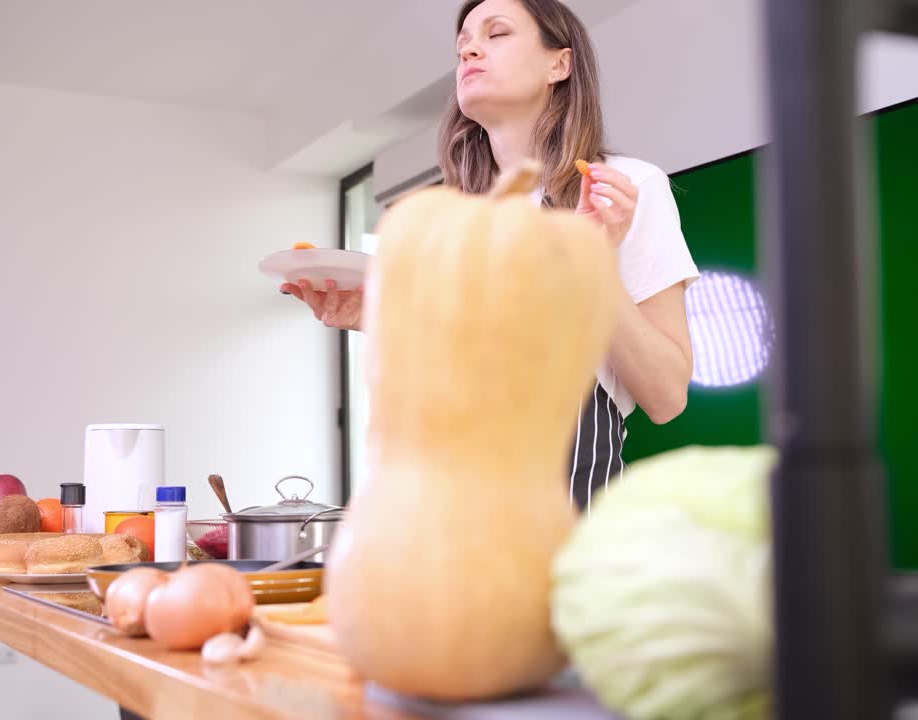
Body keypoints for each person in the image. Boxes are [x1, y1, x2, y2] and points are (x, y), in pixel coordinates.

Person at [281, 0, 698, 509]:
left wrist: (592, 262)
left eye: (496, 34)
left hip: (565, 512)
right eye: (463, 47)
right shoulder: (449, 217)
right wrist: (375, 316)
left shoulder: (624, 188)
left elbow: (667, 397)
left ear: (558, 65)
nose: (470, 49)